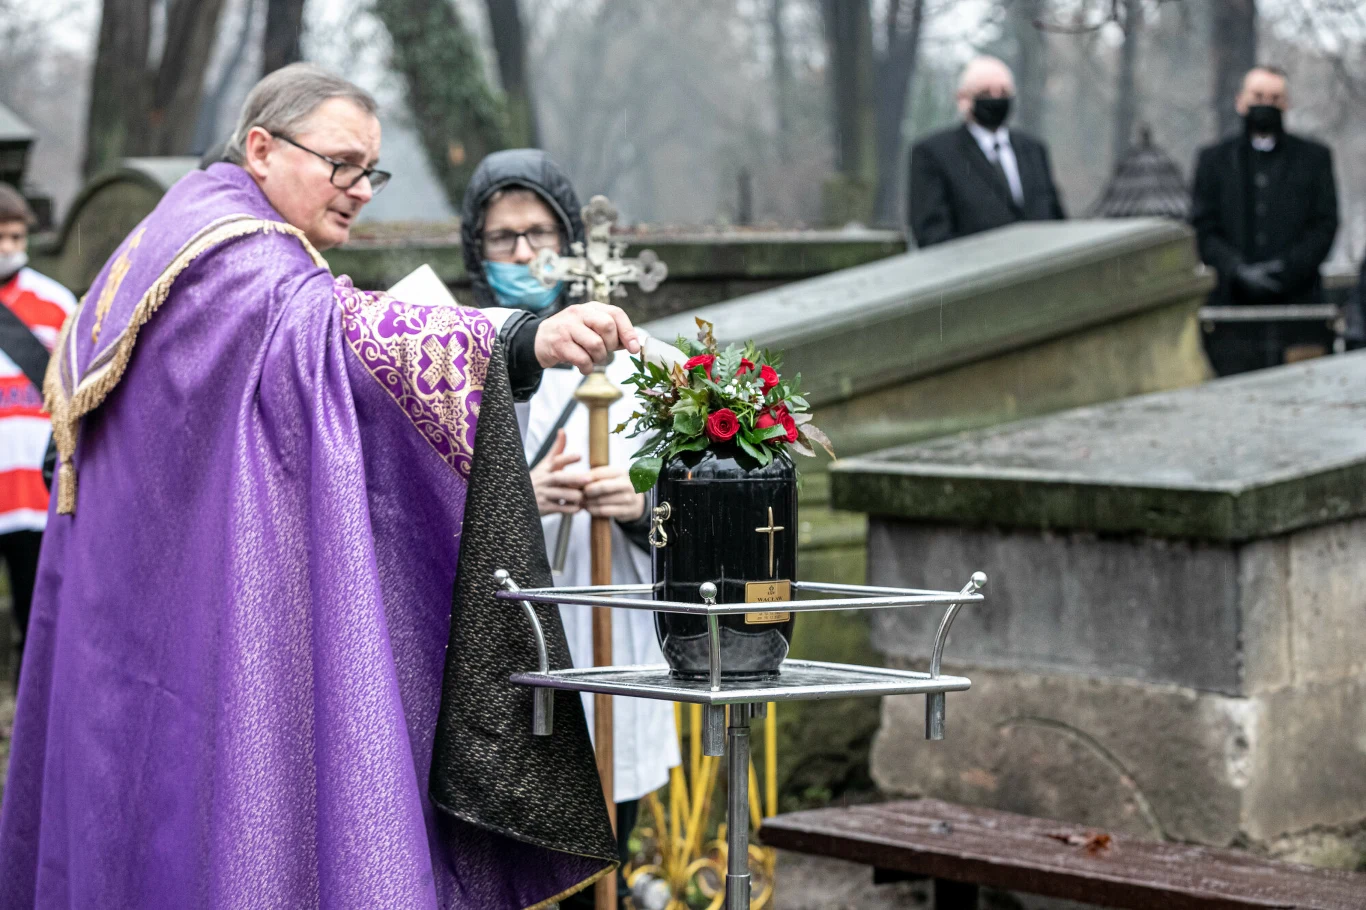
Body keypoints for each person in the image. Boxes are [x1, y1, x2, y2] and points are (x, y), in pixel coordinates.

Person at [0, 64, 640, 909]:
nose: (359, 190)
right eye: (341, 163)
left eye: (370, 171)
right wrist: (521, 340)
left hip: (131, 636)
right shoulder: (238, 255)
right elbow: (333, 333)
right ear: (261, 148)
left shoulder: (163, 242)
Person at [460, 148, 681, 909]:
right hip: (505, 650)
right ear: (476, 248)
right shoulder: (455, 359)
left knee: (599, 861)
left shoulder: (645, 369)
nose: (524, 253)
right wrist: (519, 497)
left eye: (540, 232)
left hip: (609, 637)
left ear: (570, 240)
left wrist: (643, 506)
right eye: (503, 237)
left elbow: (718, 508)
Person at [1190, 65, 1339, 376]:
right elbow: (1203, 227)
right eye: (1258, 96)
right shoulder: (1213, 160)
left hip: (1300, 305)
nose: (1265, 105)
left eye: (1275, 98)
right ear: (1240, 101)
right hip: (1231, 309)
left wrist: (1286, 269)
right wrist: (1237, 269)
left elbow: (1324, 224)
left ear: (1286, 104)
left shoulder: (1314, 158)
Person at [0, 185, 74, 681]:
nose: (9, 247)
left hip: (33, 491)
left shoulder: (54, 301)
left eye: (17, 236)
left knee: (36, 615)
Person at [908, 55, 1066, 248]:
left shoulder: (1033, 149)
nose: (996, 98)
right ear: (963, 98)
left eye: (1003, 91)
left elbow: (1055, 217)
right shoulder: (934, 153)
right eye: (985, 92)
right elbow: (932, 232)